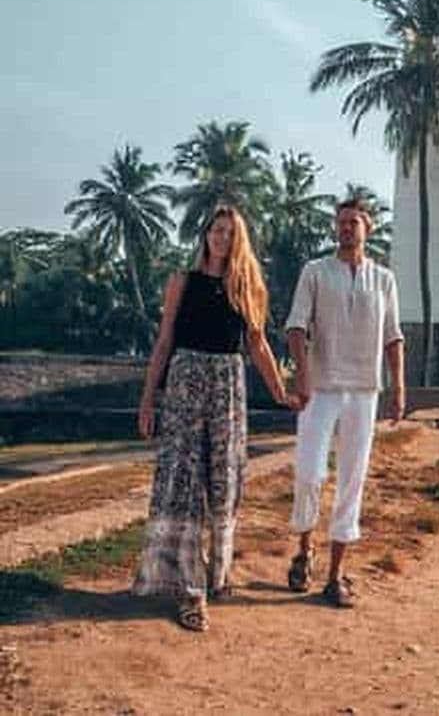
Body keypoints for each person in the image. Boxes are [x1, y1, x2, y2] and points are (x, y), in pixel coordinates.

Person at [132, 205, 291, 631]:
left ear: (238, 239)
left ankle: (216, 574)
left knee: (224, 481)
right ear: (205, 235)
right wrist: (148, 399)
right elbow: (164, 342)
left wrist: (280, 392)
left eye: (229, 232)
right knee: (181, 485)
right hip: (184, 383)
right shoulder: (181, 283)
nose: (221, 238)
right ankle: (189, 592)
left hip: (228, 386)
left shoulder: (247, 285)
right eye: (215, 230)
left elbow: (257, 345)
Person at [285, 197, 405, 608]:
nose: (347, 228)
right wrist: (302, 374)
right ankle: (304, 549)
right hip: (319, 389)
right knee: (308, 473)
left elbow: (393, 336)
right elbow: (296, 326)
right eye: (341, 222)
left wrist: (398, 388)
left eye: (354, 222)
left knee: (352, 480)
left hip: (365, 391)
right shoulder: (315, 272)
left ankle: (336, 576)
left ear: (367, 229)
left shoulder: (384, 279)